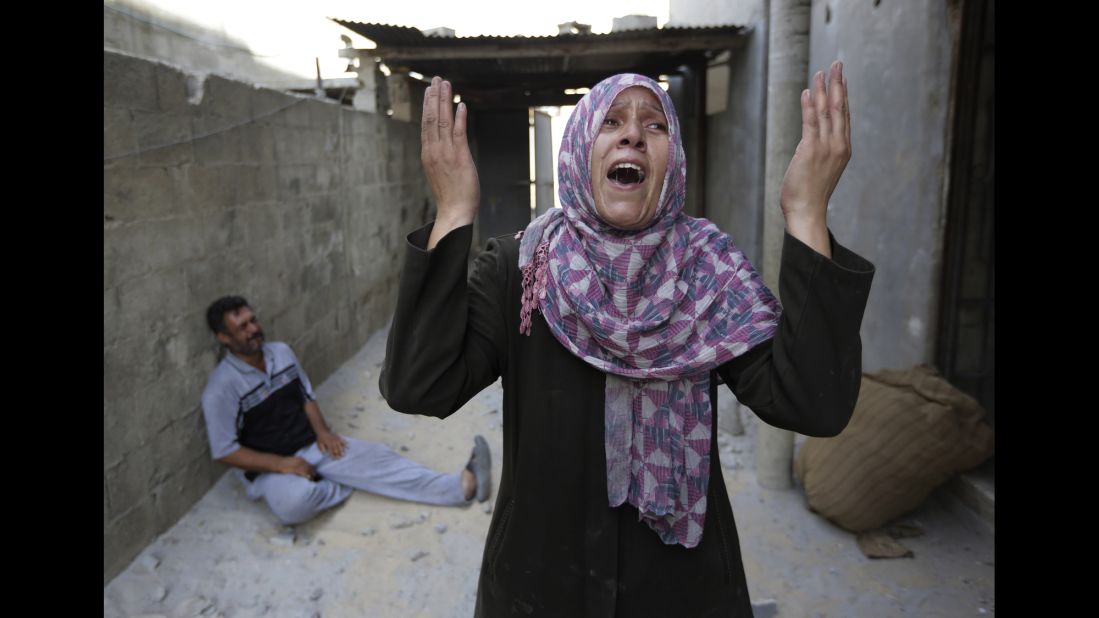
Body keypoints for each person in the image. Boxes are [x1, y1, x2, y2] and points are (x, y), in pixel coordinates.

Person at [381, 65, 874, 616]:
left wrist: (806, 213)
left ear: (673, 159)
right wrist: (453, 211)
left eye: (654, 125)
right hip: (539, 589)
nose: (633, 134)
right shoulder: (522, 269)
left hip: (681, 592)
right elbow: (420, 386)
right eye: (611, 121)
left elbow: (811, 401)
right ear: (577, 149)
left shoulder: (708, 270)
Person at [201, 295, 492, 526]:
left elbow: (306, 396)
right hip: (271, 467)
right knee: (294, 505)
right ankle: (338, 479)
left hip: (313, 445)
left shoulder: (280, 353)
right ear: (223, 338)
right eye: (242, 327)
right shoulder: (221, 388)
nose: (253, 330)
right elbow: (225, 451)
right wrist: (283, 465)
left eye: (253, 320)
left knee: (379, 458)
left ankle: (460, 487)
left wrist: (323, 432)